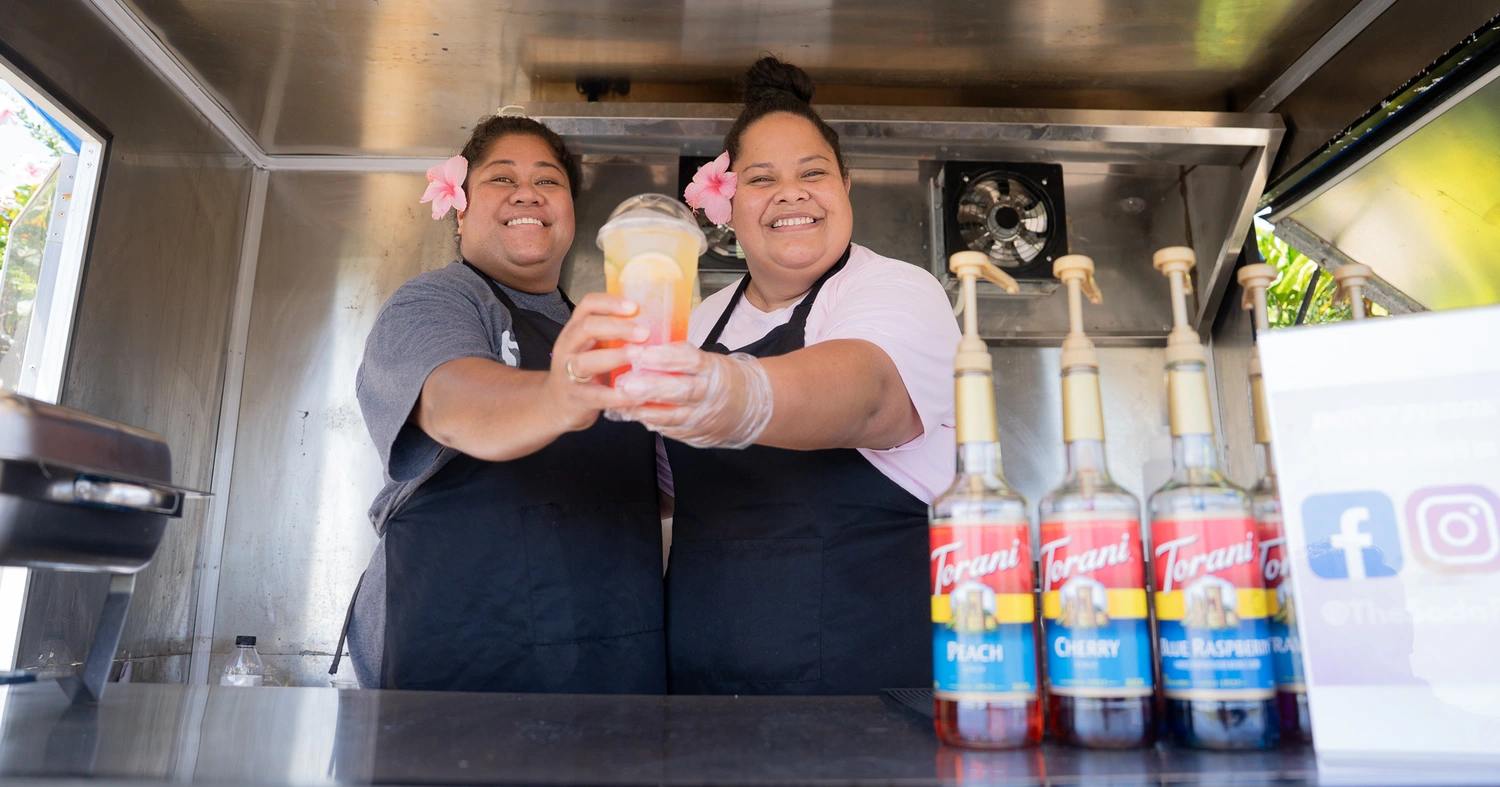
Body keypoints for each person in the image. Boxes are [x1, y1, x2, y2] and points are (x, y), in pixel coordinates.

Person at [614, 57, 961, 695]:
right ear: (727, 201)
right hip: (699, 701)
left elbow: (868, 396)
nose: (791, 193)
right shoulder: (696, 324)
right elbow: (658, 490)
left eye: (813, 172)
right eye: (761, 178)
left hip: (870, 700)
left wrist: (729, 391)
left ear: (845, 185)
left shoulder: (897, 289)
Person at [336, 115, 665, 693]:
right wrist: (557, 395)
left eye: (548, 180)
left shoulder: (612, 336)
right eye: (501, 178)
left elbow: (651, 490)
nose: (527, 193)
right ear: (460, 208)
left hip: (609, 655)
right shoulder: (434, 303)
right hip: (462, 654)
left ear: (570, 211)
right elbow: (452, 404)